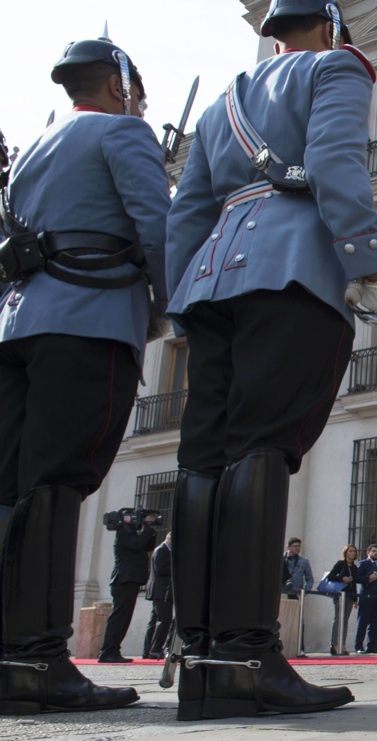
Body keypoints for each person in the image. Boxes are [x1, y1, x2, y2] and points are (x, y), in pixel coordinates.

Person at [164, 0, 377, 721]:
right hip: (293, 271)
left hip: (212, 288)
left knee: (204, 456)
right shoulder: (339, 66)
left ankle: (203, 659)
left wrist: (186, 299)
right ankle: (248, 655)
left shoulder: (222, 105)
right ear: (331, 27)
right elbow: (334, 161)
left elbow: (187, 214)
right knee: (262, 445)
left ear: (273, 35)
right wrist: (371, 265)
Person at [0, 34, 169, 714]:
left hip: (19, 324)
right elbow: (157, 228)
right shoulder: (126, 136)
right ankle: (38, 656)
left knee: (12, 483)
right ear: (120, 84)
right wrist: (168, 310)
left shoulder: (35, 148)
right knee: (58, 479)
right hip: (89, 319)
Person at [100, 510, 158, 663]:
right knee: (119, 618)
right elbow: (136, 544)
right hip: (123, 581)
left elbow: (146, 546)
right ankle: (107, 652)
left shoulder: (131, 533)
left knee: (124, 619)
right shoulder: (122, 532)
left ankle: (113, 650)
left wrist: (150, 530)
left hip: (129, 581)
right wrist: (146, 529)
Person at [142, 532, 174, 661]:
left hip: (161, 591)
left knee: (154, 621)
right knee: (164, 620)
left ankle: (148, 649)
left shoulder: (164, 550)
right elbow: (161, 569)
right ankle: (155, 649)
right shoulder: (162, 550)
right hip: (162, 591)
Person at [325, 544, 358, 656]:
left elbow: (354, 584)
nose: (352, 553)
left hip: (349, 595)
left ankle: (342, 644)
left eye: (354, 551)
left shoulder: (354, 567)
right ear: (346, 552)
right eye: (350, 551)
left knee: (345, 621)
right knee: (338, 619)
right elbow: (330, 576)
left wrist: (355, 599)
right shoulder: (340, 564)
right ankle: (334, 644)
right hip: (340, 594)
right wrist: (342, 578)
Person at [354, 544, 377, 654]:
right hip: (366, 598)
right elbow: (357, 578)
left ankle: (372, 646)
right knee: (362, 623)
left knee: (375, 624)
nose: (376, 553)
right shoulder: (363, 563)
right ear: (368, 553)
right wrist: (368, 578)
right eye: (374, 551)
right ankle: (359, 646)